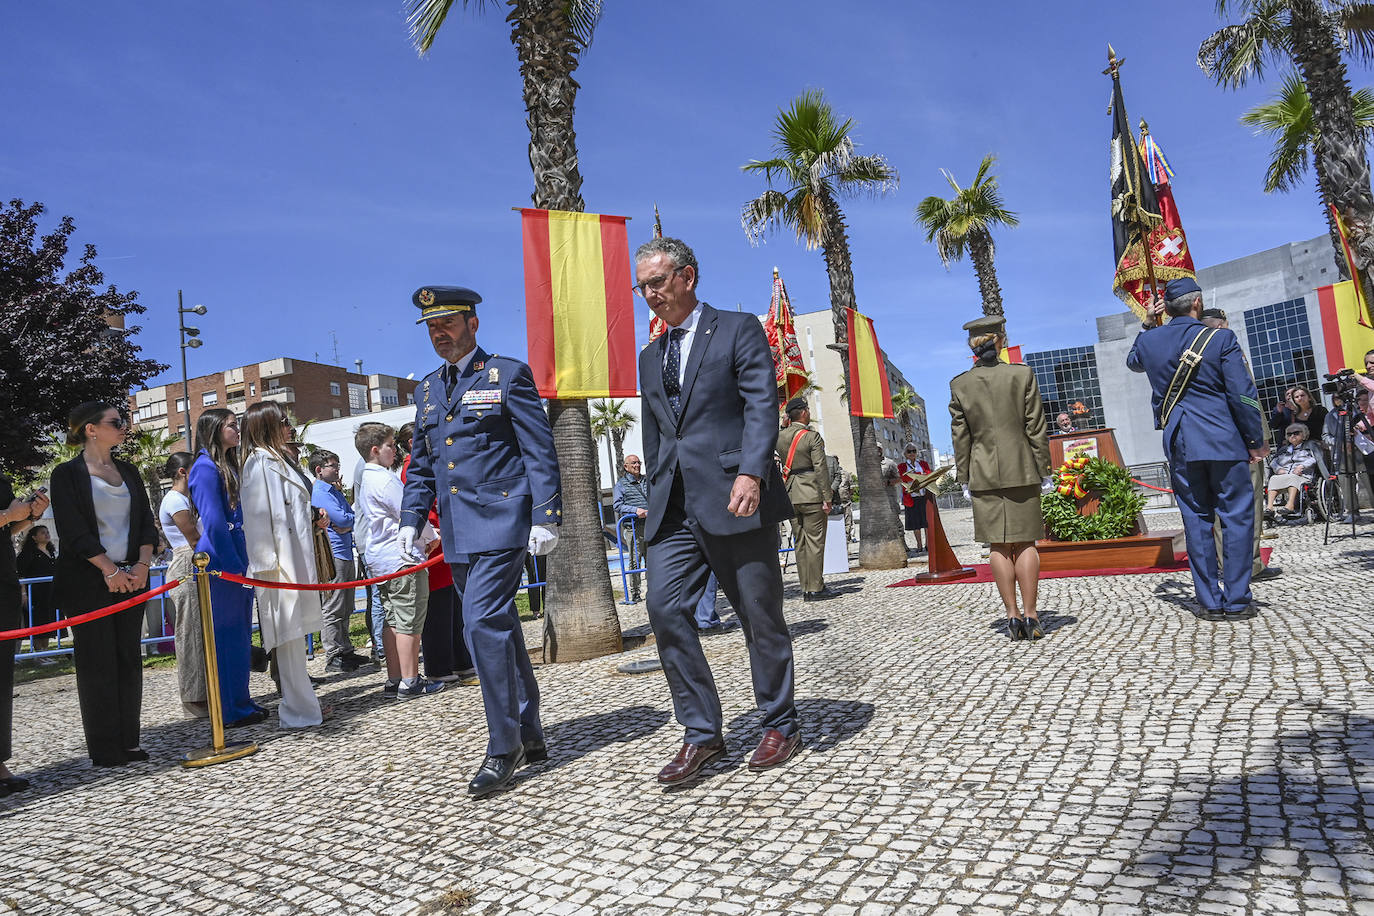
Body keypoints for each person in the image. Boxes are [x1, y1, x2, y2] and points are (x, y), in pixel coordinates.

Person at [634, 237, 800, 785]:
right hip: (675, 511)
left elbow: (761, 403)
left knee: (759, 615)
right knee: (664, 610)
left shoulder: (737, 328)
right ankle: (702, 733)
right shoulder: (650, 356)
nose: (650, 294)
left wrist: (753, 471)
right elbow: (658, 433)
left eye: (657, 282)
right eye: (643, 287)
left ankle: (779, 721)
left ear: (689, 276)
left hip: (734, 496)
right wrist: (650, 496)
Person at [399, 284, 561, 797]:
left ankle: (502, 744)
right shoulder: (427, 389)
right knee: (502, 626)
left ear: (472, 323)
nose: (438, 334)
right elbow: (424, 465)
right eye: (430, 327)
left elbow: (538, 449)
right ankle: (529, 728)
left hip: (505, 521)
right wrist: (411, 520)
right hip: (459, 532)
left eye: (446, 324)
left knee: (480, 624)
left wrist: (546, 514)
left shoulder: (506, 374)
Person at [1128, 278, 1269, 619]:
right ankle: (1236, 599)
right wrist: (1255, 439)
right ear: (1197, 304)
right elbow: (1242, 393)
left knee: (1196, 520)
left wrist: (1147, 322)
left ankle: (1209, 600)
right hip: (1223, 439)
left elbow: (1133, 361)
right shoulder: (1220, 338)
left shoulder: (1150, 342)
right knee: (1235, 518)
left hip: (1180, 442)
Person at [50, 403, 158, 766]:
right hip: (89, 580)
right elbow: (72, 530)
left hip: (133, 576)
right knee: (96, 663)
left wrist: (142, 565)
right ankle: (104, 747)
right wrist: (109, 569)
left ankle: (129, 741)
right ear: (91, 429)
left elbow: (145, 521)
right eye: (117, 422)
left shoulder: (128, 470)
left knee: (129, 658)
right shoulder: (66, 474)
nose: (124, 427)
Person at [950, 317, 1053, 641]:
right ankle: (1032, 615)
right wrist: (1044, 469)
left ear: (972, 348)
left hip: (983, 473)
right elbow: (1035, 426)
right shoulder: (1021, 375)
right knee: (1025, 543)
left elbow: (960, 437)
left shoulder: (960, 384)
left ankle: (1011, 617)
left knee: (997, 544)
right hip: (1022, 468)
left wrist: (964, 476)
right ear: (1001, 341)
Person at [239, 401, 328, 728]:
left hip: (295, 558)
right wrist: (266, 569)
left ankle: (305, 707)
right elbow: (258, 519)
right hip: (279, 567)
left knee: (295, 638)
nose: (289, 426)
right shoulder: (257, 464)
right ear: (266, 426)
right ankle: (298, 711)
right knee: (288, 640)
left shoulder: (280, 460)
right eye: (282, 422)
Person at [357, 422, 444, 702]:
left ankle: (395, 677)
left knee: (392, 618)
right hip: (401, 558)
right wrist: (432, 536)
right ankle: (410, 680)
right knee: (409, 618)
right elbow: (410, 511)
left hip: (383, 559)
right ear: (375, 450)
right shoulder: (384, 479)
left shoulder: (368, 478)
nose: (395, 450)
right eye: (390, 446)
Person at [188, 408, 265, 728]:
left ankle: (241, 701)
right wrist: (235, 567)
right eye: (232, 425)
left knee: (239, 637)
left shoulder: (226, 465)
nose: (237, 430)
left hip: (236, 558)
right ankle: (229, 709)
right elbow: (215, 525)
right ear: (215, 430)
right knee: (224, 640)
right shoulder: (204, 468)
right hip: (220, 563)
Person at [1201, 308, 1281, 582]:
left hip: (1211, 441)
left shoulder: (1195, 354)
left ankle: (1226, 563)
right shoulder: (1228, 349)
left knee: (1219, 510)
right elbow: (1246, 397)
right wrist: (1258, 438)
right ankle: (1252, 565)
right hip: (1242, 441)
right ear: (1222, 325)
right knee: (1250, 504)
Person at [398, 424, 476, 687]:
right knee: (438, 611)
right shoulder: (412, 468)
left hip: (447, 543)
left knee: (453, 608)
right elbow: (420, 501)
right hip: (434, 544)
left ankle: (460, 660)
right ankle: (439, 665)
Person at [1, 472, 49, 794]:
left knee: (3, 677)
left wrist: (28, 516)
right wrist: (9, 515)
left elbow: (7, 532)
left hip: (4, 582)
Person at [308, 449, 370, 672]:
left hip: (345, 550)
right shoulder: (321, 492)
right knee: (334, 604)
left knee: (346, 603)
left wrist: (348, 522)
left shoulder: (334, 491)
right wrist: (348, 521)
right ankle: (333, 653)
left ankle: (345, 649)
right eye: (332, 465)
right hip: (335, 553)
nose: (337, 469)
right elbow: (342, 518)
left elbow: (348, 517)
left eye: (337, 464)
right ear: (319, 470)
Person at [158, 452, 208, 717]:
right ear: (182, 472)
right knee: (190, 632)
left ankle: (205, 690)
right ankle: (193, 697)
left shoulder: (187, 499)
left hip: (197, 562)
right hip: (187, 563)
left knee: (202, 631)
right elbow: (193, 537)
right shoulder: (174, 500)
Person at [775, 397, 832, 600]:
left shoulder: (780, 436)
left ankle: (805, 587)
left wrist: (783, 425)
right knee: (815, 542)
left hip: (790, 493)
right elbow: (820, 468)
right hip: (811, 493)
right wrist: (827, 496)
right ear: (805, 412)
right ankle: (816, 588)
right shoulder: (812, 437)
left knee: (800, 542)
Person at [612, 454, 650, 603]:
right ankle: (635, 592)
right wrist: (635, 510)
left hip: (651, 525)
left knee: (652, 559)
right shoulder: (621, 484)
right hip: (633, 528)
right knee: (635, 560)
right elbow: (617, 505)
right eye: (633, 463)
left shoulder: (647, 480)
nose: (637, 465)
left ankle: (653, 590)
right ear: (626, 467)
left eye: (638, 462)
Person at [1264, 424, 1322, 518]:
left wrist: (1302, 465)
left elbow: (1315, 459)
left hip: (1303, 476)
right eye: (1289, 434)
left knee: (1293, 478)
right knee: (1274, 478)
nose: (1292, 436)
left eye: (1296, 433)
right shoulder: (1284, 449)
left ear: (1304, 435)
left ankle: (1290, 505)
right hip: (1286, 475)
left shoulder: (1310, 446)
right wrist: (1278, 469)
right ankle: (1270, 507)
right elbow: (1273, 462)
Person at [16, 525, 57, 653]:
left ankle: (46, 652)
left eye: (47, 532)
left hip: (49, 593)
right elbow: (21, 573)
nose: (46, 534)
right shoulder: (28, 554)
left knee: (49, 621)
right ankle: (39, 655)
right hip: (35, 594)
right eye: (42, 533)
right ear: (34, 537)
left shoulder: (51, 552)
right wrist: (23, 593)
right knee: (38, 622)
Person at [893, 444, 932, 553]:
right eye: (909, 451)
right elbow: (903, 477)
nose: (912, 453)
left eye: (914, 451)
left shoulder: (923, 464)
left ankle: (928, 544)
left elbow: (928, 475)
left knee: (926, 523)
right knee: (916, 524)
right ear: (905, 454)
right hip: (911, 498)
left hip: (923, 497)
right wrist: (919, 475)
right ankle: (919, 544)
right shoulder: (902, 466)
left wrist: (916, 475)